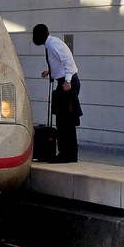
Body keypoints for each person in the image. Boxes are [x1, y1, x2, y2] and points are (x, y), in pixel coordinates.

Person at [33, 23, 81, 162]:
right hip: (65, 80)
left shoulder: (53, 44)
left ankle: (66, 153)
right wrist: (51, 72)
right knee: (66, 119)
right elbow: (61, 63)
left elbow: (69, 62)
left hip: (68, 82)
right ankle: (71, 153)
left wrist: (67, 81)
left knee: (64, 119)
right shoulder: (51, 44)